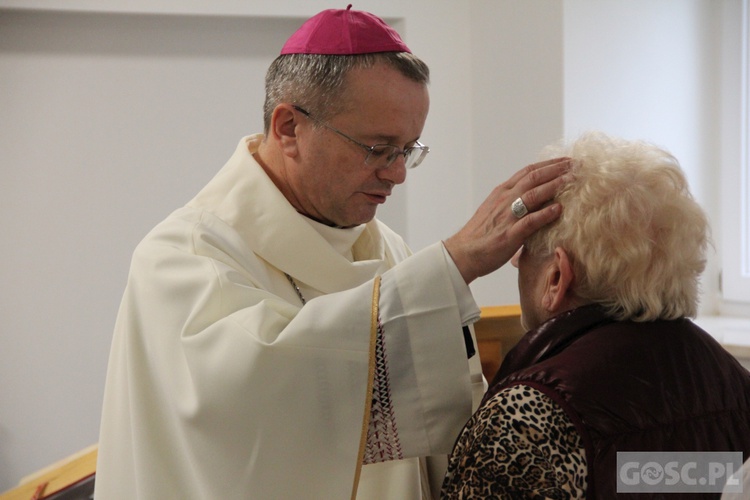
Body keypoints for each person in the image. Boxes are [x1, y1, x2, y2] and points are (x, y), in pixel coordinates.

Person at [94, 6, 569, 499]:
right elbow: (254, 407)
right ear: (288, 129)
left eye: (408, 150)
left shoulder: (388, 249)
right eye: (377, 148)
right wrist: (454, 264)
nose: (397, 173)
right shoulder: (184, 257)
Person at [441, 132, 750, 499]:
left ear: (557, 277)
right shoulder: (735, 386)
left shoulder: (525, 419)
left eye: (523, 250)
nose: (513, 262)